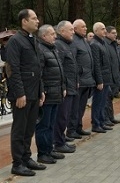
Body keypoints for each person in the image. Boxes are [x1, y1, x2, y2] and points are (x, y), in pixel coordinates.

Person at [6, 9, 46, 176]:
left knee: (29, 129)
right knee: (19, 129)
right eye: (34, 18)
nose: (37, 21)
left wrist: (41, 90)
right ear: (24, 21)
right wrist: (19, 93)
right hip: (22, 94)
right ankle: (17, 163)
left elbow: (37, 68)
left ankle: (27, 157)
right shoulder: (15, 41)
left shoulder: (33, 40)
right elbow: (12, 69)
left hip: (34, 93)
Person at [35, 25, 66, 164]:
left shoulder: (53, 49)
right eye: (52, 34)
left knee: (51, 124)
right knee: (43, 125)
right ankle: (43, 153)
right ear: (44, 36)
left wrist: (63, 86)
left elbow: (60, 71)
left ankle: (50, 149)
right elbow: (39, 74)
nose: (55, 36)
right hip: (47, 94)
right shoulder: (41, 50)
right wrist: (42, 91)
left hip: (56, 93)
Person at [66, 19, 95, 139]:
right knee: (75, 108)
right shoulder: (73, 42)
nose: (85, 28)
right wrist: (78, 75)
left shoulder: (84, 41)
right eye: (83, 27)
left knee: (82, 107)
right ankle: (71, 130)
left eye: (86, 26)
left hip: (87, 80)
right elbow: (72, 61)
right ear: (75, 28)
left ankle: (78, 127)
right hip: (79, 81)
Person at [53, 20, 78, 154]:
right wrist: (63, 86)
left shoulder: (66, 45)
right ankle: (58, 142)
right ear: (62, 31)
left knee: (66, 115)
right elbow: (60, 68)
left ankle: (61, 139)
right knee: (61, 116)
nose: (73, 32)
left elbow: (72, 66)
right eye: (70, 30)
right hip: (65, 87)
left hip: (71, 85)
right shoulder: (59, 45)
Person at [90, 22, 113, 133]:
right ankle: (96, 123)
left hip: (106, 77)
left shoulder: (103, 43)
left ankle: (102, 121)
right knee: (98, 102)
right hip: (101, 79)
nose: (105, 31)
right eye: (102, 29)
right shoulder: (94, 44)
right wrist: (99, 81)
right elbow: (97, 64)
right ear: (96, 31)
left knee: (103, 102)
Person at [104, 26, 120, 125]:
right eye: (113, 33)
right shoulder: (105, 44)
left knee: (110, 98)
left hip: (115, 76)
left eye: (116, 33)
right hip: (108, 77)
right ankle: (106, 118)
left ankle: (111, 117)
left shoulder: (113, 44)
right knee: (106, 99)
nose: (115, 35)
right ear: (107, 33)